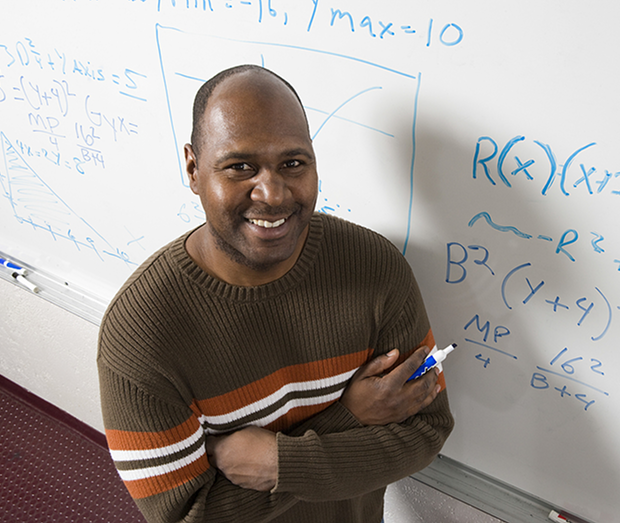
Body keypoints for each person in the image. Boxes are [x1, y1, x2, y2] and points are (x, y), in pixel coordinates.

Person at [97, 64, 454, 523]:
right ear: (193, 168)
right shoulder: (142, 334)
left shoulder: (375, 267)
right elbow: (188, 518)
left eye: (293, 163)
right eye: (240, 166)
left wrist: (278, 463)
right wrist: (350, 420)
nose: (271, 193)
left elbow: (427, 428)